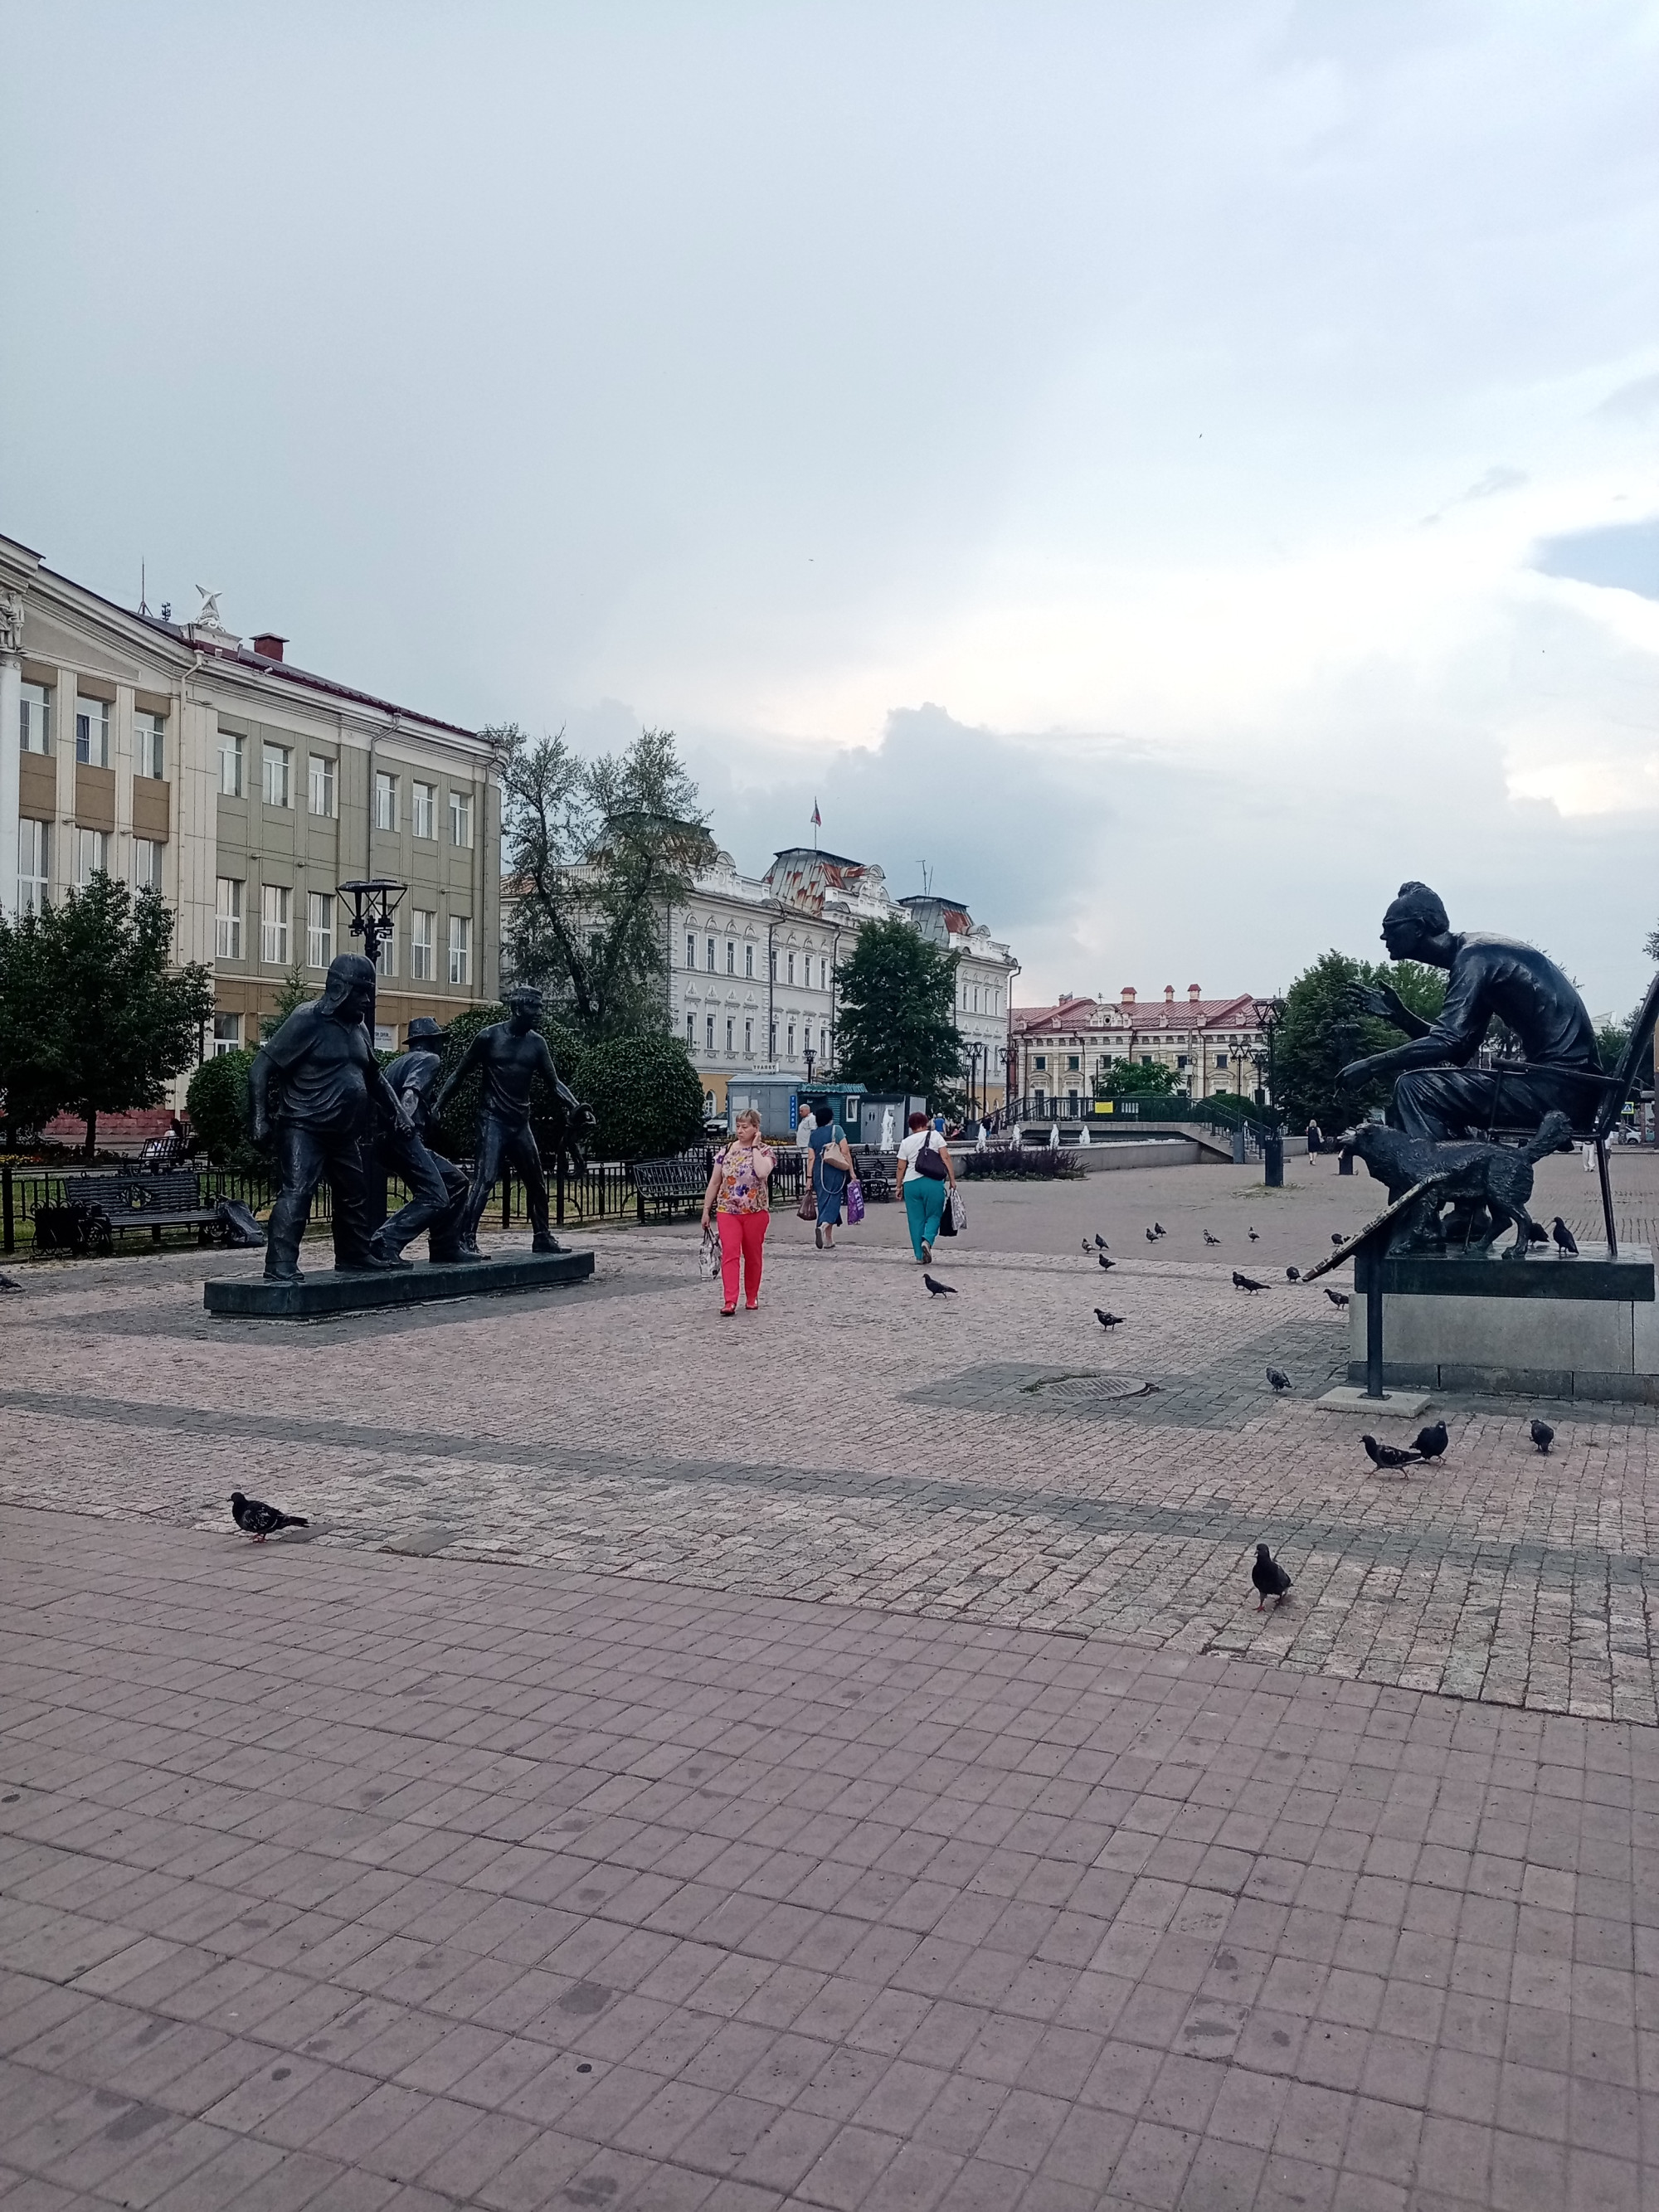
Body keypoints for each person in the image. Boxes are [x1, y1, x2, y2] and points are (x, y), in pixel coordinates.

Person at [1340, 882, 1605, 1140]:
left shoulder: (1474, 958)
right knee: (1423, 1087)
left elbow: (1447, 1042)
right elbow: (1460, 1051)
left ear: (1419, 927)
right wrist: (1400, 1015)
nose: (1384, 936)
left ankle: (1440, 1180)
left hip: (1561, 1092)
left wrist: (1370, 1066)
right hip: (1566, 1088)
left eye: (1390, 927)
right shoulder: (1477, 956)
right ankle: (1458, 1175)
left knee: (1415, 1088)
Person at [250, 953, 415, 1285]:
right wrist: (259, 1118)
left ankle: (354, 1256)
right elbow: (260, 1069)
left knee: (355, 1193)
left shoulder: (359, 1029)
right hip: (303, 1126)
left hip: (343, 1133)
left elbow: (374, 1077)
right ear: (339, 989)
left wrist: (398, 1112)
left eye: (370, 992)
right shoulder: (306, 1019)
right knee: (297, 1192)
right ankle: (279, 1264)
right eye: (360, 992)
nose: (366, 1000)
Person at [434, 986, 589, 1257]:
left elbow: (555, 1084)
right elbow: (459, 1075)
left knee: (537, 1182)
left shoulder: (537, 1043)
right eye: (534, 1008)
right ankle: (466, 1239)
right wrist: (438, 1105)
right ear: (518, 1009)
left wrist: (576, 1106)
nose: (540, 1013)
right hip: (492, 1119)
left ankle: (542, 1236)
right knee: (485, 1179)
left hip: (520, 1123)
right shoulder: (488, 1037)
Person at [371, 1018, 470, 1262]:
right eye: (439, 1040)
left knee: (456, 1182)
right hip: (403, 1137)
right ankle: (385, 1241)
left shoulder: (396, 1063)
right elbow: (411, 1091)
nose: (442, 1046)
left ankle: (445, 1246)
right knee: (435, 1195)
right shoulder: (428, 1059)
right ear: (430, 1041)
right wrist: (404, 1119)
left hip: (386, 1140)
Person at [700, 1107, 774, 1313]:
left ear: (756, 1128)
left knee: (753, 1255)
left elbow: (761, 1172)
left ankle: (752, 1296)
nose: (740, 1131)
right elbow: (715, 1182)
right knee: (730, 1254)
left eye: (745, 1127)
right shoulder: (726, 1151)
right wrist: (707, 1209)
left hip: (755, 1211)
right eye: (738, 1126)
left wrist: (756, 1147)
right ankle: (730, 1299)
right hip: (728, 1209)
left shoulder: (766, 1151)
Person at [897, 1109, 956, 1264]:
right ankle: (927, 1241)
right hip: (933, 1182)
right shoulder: (935, 1136)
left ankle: (919, 1256)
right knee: (934, 1215)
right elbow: (946, 1157)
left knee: (915, 1220)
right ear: (925, 1123)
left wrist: (898, 1186)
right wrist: (952, 1180)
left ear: (911, 1127)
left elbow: (901, 1167)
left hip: (911, 1184)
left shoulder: (905, 1142)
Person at [807, 1101, 854, 1249]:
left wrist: (809, 1179)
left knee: (823, 1202)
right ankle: (823, 1226)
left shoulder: (813, 1135)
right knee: (833, 1201)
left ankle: (828, 1239)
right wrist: (851, 1171)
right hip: (834, 1170)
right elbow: (845, 1151)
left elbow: (811, 1157)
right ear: (830, 1118)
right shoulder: (837, 1129)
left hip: (818, 1172)